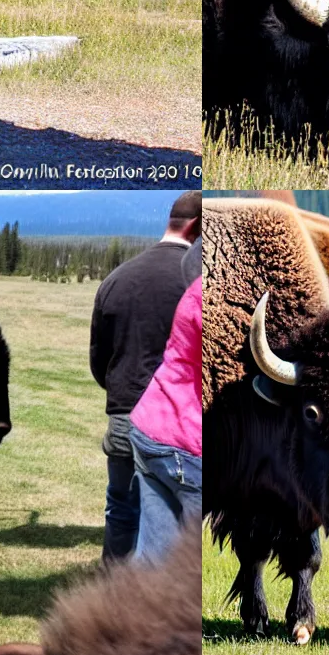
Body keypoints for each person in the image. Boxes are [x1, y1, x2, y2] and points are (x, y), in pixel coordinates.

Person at [90, 192, 201, 562]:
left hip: (125, 419)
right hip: (182, 432)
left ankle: (112, 598)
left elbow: (98, 360)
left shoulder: (117, 278)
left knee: (120, 510)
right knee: (174, 532)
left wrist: (123, 397)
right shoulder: (195, 283)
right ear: (198, 229)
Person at [128, 274, 201, 562]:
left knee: (152, 558)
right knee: (192, 565)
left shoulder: (197, 288)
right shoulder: (220, 295)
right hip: (188, 444)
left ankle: (129, 605)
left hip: (150, 426)